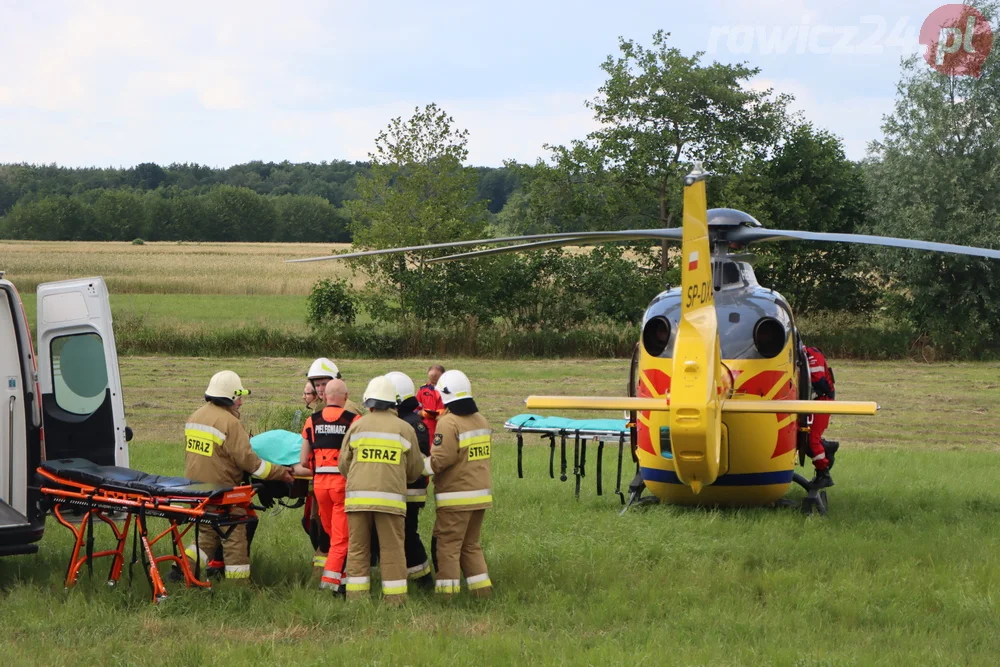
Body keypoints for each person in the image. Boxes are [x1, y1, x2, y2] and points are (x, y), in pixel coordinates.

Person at [183, 370, 294, 583]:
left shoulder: (195, 416)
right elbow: (251, 464)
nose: (241, 402)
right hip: (222, 494)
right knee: (235, 536)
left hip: (195, 490)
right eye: (239, 397)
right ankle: (238, 586)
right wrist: (281, 473)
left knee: (206, 534)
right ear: (230, 397)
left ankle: (182, 571)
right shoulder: (229, 423)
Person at [339, 376, 425, 605]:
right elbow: (415, 470)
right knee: (392, 550)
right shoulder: (405, 429)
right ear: (394, 403)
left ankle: (357, 599)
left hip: (357, 501)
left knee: (358, 550)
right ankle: (395, 601)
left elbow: (343, 465)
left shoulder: (356, 426)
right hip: (391, 502)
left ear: (368, 402)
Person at [430, 370, 493, 599]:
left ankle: (447, 597)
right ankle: (482, 594)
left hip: (456, 497)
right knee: (471, 546)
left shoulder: (448, 422)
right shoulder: (481, 420)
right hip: (480, 496)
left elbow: (440, 459)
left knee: (448, 546)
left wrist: (416, 468)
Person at [293, 379, 361, 593]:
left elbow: (304, 460)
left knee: (333, 534)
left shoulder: (311, 420)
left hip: (320, 486)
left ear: (323, 396)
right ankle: (331, 586)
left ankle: (339, 577)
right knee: (341, 538)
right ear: (346, 397)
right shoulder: (354, 420)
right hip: (342, 484)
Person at [304, 357, 363, 576]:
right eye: (316, 384)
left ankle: (338, 575)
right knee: (319, 525)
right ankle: (329, 571)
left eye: (324, 383)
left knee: (339, 532)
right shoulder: (319, 409)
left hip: (340, 481)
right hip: (322, 481)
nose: (320, 388)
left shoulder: (350, 411)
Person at [384, 371, 434, 589]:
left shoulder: (413, 423)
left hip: (409, 491)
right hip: (400, 490)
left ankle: (423, 580)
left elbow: (420, 460)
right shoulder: (406, 420)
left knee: (407, 536)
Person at [805, 345, 837, 489]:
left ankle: (824, 475)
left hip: (821, 401)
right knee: (802, 439)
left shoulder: (811, 354)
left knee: (811, 440)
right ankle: (826, 448)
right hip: (811, 401)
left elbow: (819, 382)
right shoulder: (804, 354)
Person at [416, 364, 446, 442]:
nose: (434, 385)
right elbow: (414, 408)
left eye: (436, 382)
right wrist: (421, 413)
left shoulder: (449, 391)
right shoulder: (423, 390)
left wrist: (445, 413)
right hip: (427, 428)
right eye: (432, 381)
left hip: (445, 426)